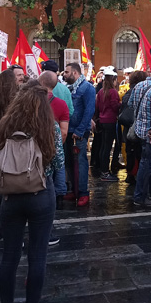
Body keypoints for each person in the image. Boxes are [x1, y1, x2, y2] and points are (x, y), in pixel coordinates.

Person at [0, 81, 64, 303]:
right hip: (40, 194)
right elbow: (58, 160)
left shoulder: (4, 126)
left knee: (9, 257)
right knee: (37, 256)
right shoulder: (50, 128)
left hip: (10, 197)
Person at [124, 62, 151, 208]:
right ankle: (140, 196)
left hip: (140, 130)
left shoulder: (139, 86)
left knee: (150, 163)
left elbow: (131, 104)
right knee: (148, 164)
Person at [63, 62, 96, 206]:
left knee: (81, 161)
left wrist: (80, 130)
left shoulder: (87, 88)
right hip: (67, 130)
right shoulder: (68, 88)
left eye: (66, 72)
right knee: (69, 161)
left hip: (79, 131)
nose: (64, 74)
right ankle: (73, 189)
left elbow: (89, 111)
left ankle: (83, 192)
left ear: (75, 73)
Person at [94, 66, 120, 182]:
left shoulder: (100, 91)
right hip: (110, 121)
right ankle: (105, 172)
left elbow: (98, 106)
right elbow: (115, 106)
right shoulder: (113, 92)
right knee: (107, 147)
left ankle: (102, 170)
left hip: (102, 120)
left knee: (103, 147)